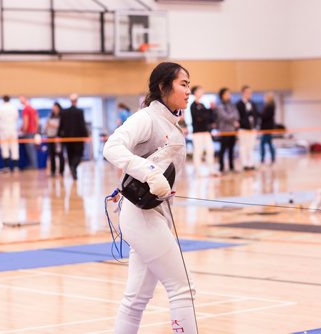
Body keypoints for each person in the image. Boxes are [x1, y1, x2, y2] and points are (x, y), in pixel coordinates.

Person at [103, 62, 197, 333]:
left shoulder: (173, 125)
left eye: (189, 84)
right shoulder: (146, 118)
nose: (188, 90)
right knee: (183, 289)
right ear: (163, 87)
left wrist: (160, 182)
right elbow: (112, 147)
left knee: (135, 301)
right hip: (139, 215)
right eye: (183, 84)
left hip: (152, 215)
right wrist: (149, 173)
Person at [58, 93, 88, 180]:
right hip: (78, 138)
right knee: (78, 154)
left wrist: (59, 135)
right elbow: (82, 124)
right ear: (76, 101)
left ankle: (72, 168)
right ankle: (73, 167)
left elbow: (61, 125)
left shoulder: (64, 112)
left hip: (67, 138)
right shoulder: (80, 111)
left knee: (70, 154)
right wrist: (85, 135)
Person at [190, 85, 218, 177]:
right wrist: (205, 115)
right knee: (198, 151)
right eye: (199, 91)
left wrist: (211, 109)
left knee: (210, 150)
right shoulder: (193, 105)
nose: (202, 92)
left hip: (206, 132)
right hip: (197, 132)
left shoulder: (203, 105)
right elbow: (199, 117)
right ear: (195, 93)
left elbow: (209, 117)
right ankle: (198, 171)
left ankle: (211, 170)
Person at [0, 95, 19, 173]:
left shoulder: (0, 108)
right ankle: (15, 167)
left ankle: (7, 167)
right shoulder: (14, 108)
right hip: (12, 130)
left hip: (3, 131)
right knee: (14, 147)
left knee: (5, 147)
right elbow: (16, 118)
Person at [215, 87, 239, 173]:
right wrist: (232, 118)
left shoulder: (232, 105)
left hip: (232, 131)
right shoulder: (220, 105)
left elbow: (237, 115)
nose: (229, 96)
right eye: (226, 94)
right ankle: (221, 168)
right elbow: (225, 117)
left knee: (231, 150)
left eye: (229, 94)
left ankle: (231, 167)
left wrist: (232, 117)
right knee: (223, 150)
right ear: (222, 95)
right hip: (224, 131)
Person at [236, 85, 259, 170]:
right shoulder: (239, 104)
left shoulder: (253, 103)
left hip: (252, 129)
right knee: (243, 147)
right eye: (247, 92)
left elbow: (256, 115)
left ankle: (251, 163)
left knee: (251, 147)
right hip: (243, 129)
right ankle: (244, 164)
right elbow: (238, 117)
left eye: (250, 92)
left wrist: (254, 124)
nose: (249, 94)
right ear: (243, 93)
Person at [44, 102, 65, 177]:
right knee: (51, 154)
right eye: (53, 108)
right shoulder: (50, 116)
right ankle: (53, 170)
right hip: (50, 137)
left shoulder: (62, 117)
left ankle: (61, 171)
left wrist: (54, 125)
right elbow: (46, 126)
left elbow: (61, 126)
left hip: (58, 137)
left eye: (56, 108)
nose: (54, 110)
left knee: (60, 154)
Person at [19, 96, 39, 169]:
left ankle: (33, 165)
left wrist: (24, 131)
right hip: (33, 131)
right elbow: (37, 121)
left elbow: (25, 122)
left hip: (29, 132)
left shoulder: (25, 110)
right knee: (33, 149)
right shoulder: (33, 109)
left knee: (30, 149)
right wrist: (36, 130)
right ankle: (34, 164)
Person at [260, 92, 276, 164]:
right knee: (269, 143)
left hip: (267, 128)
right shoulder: (267, 106)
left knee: (263, 143)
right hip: (266, 127)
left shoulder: (270, 106)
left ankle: (263, 158)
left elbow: (265, 116)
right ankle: (272, 158)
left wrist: (258, 114)